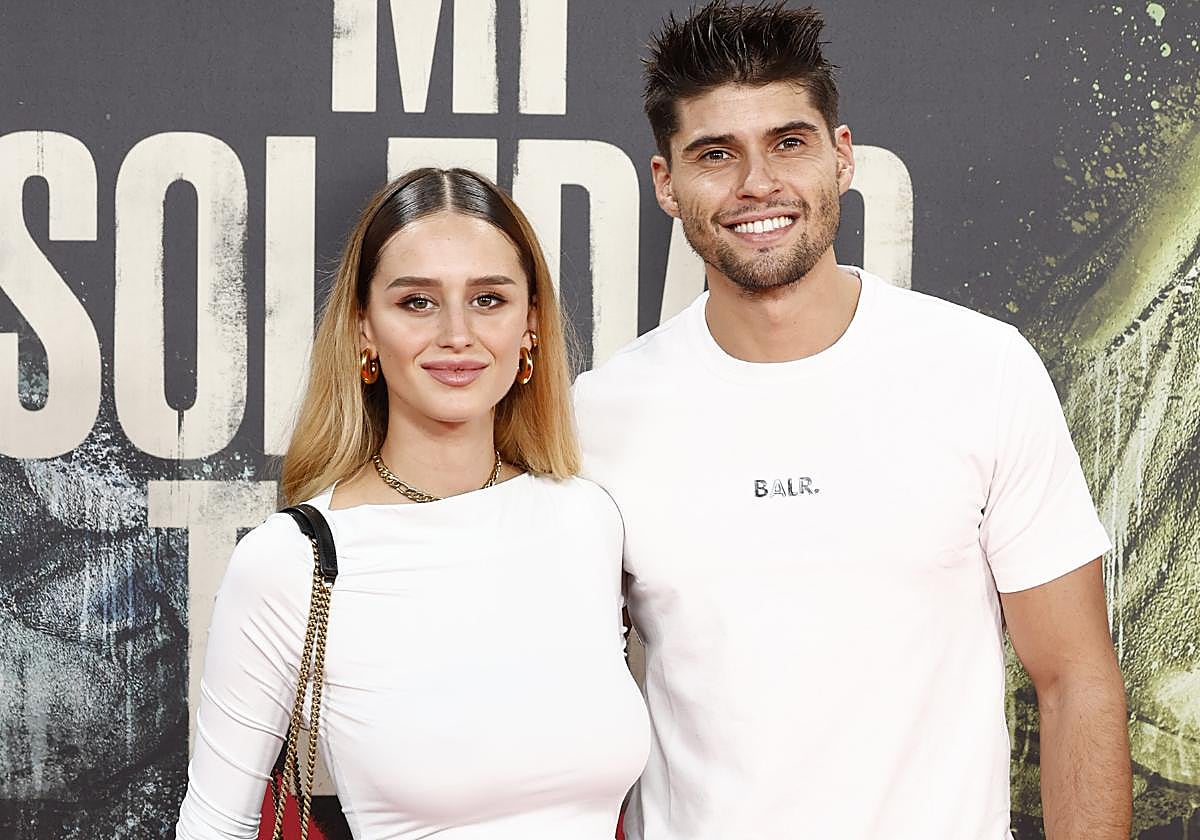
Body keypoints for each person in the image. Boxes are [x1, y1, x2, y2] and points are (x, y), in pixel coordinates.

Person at [572, 3, 1132, 839]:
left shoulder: (981, 368)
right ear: (665, 183)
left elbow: (1074, 678)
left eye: (788, 143)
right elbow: (555, 705)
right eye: (715, 155)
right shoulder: (598, 417)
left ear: (842, 158)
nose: (757, 183)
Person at [175, 168, 650, 839]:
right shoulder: (292, 561)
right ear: (365, 330)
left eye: (488, 299)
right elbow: (214, 825)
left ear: (531, 325)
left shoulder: (587, 519)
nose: (457, 335)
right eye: (417, 303)